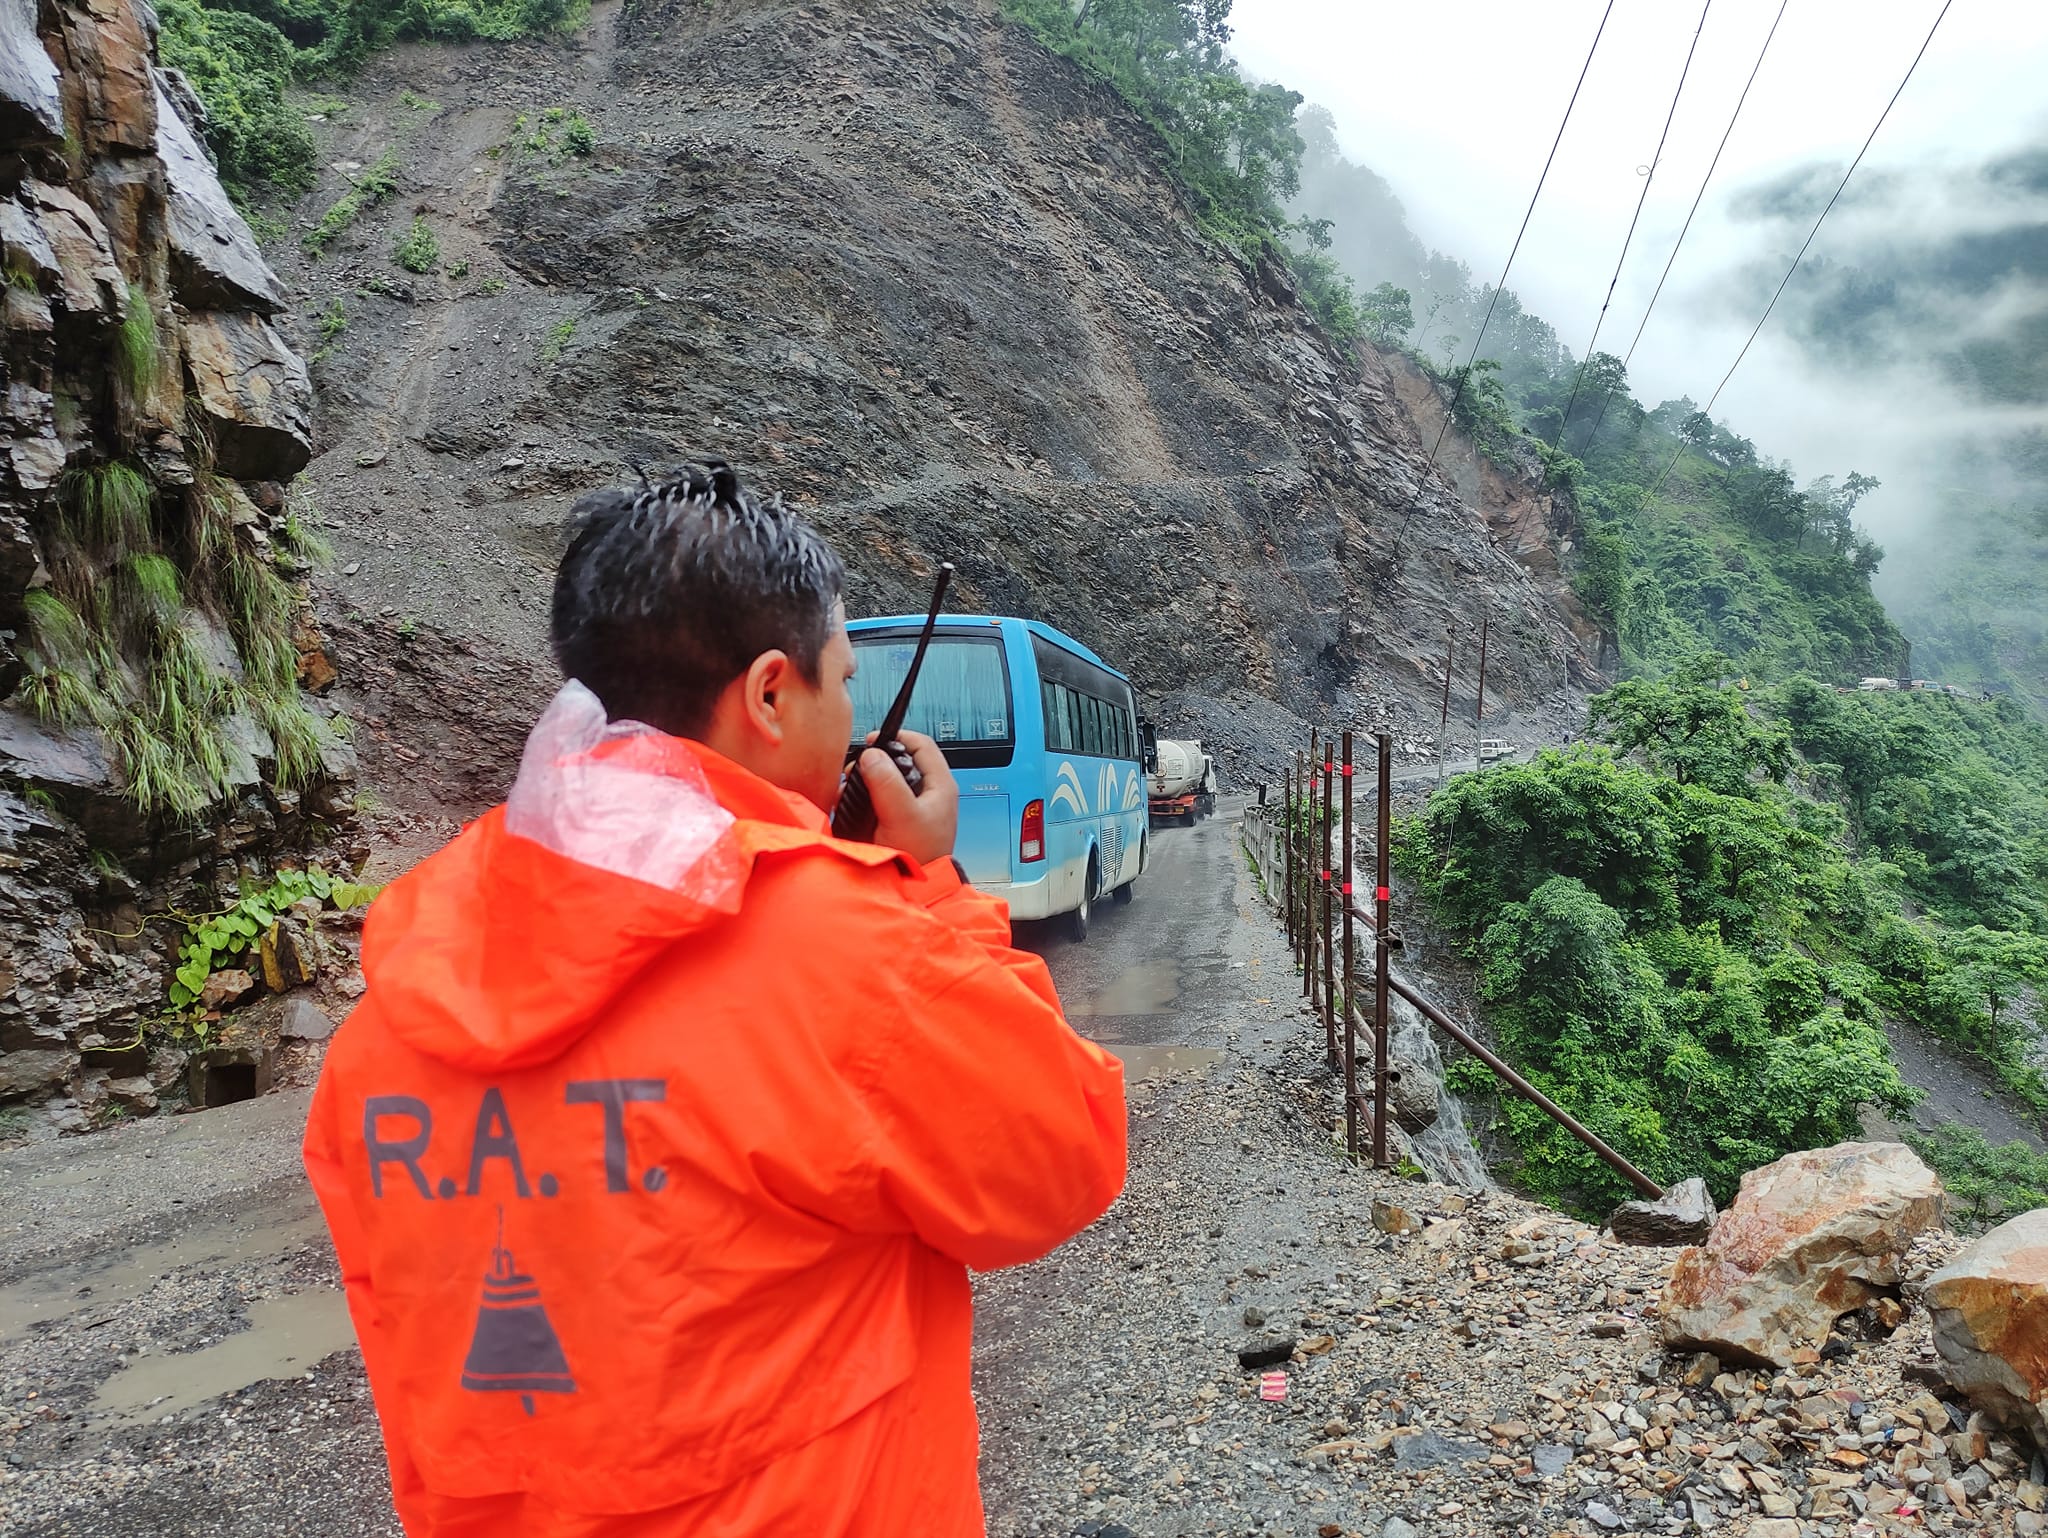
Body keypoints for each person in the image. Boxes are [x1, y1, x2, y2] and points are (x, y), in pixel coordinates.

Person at [303, 460, 1128, 1536]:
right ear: (770, 691)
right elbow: (1062, 1156)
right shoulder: (852, 949)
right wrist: (931, 887)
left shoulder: (394, 1006)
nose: (850, 716)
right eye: (843, 681)